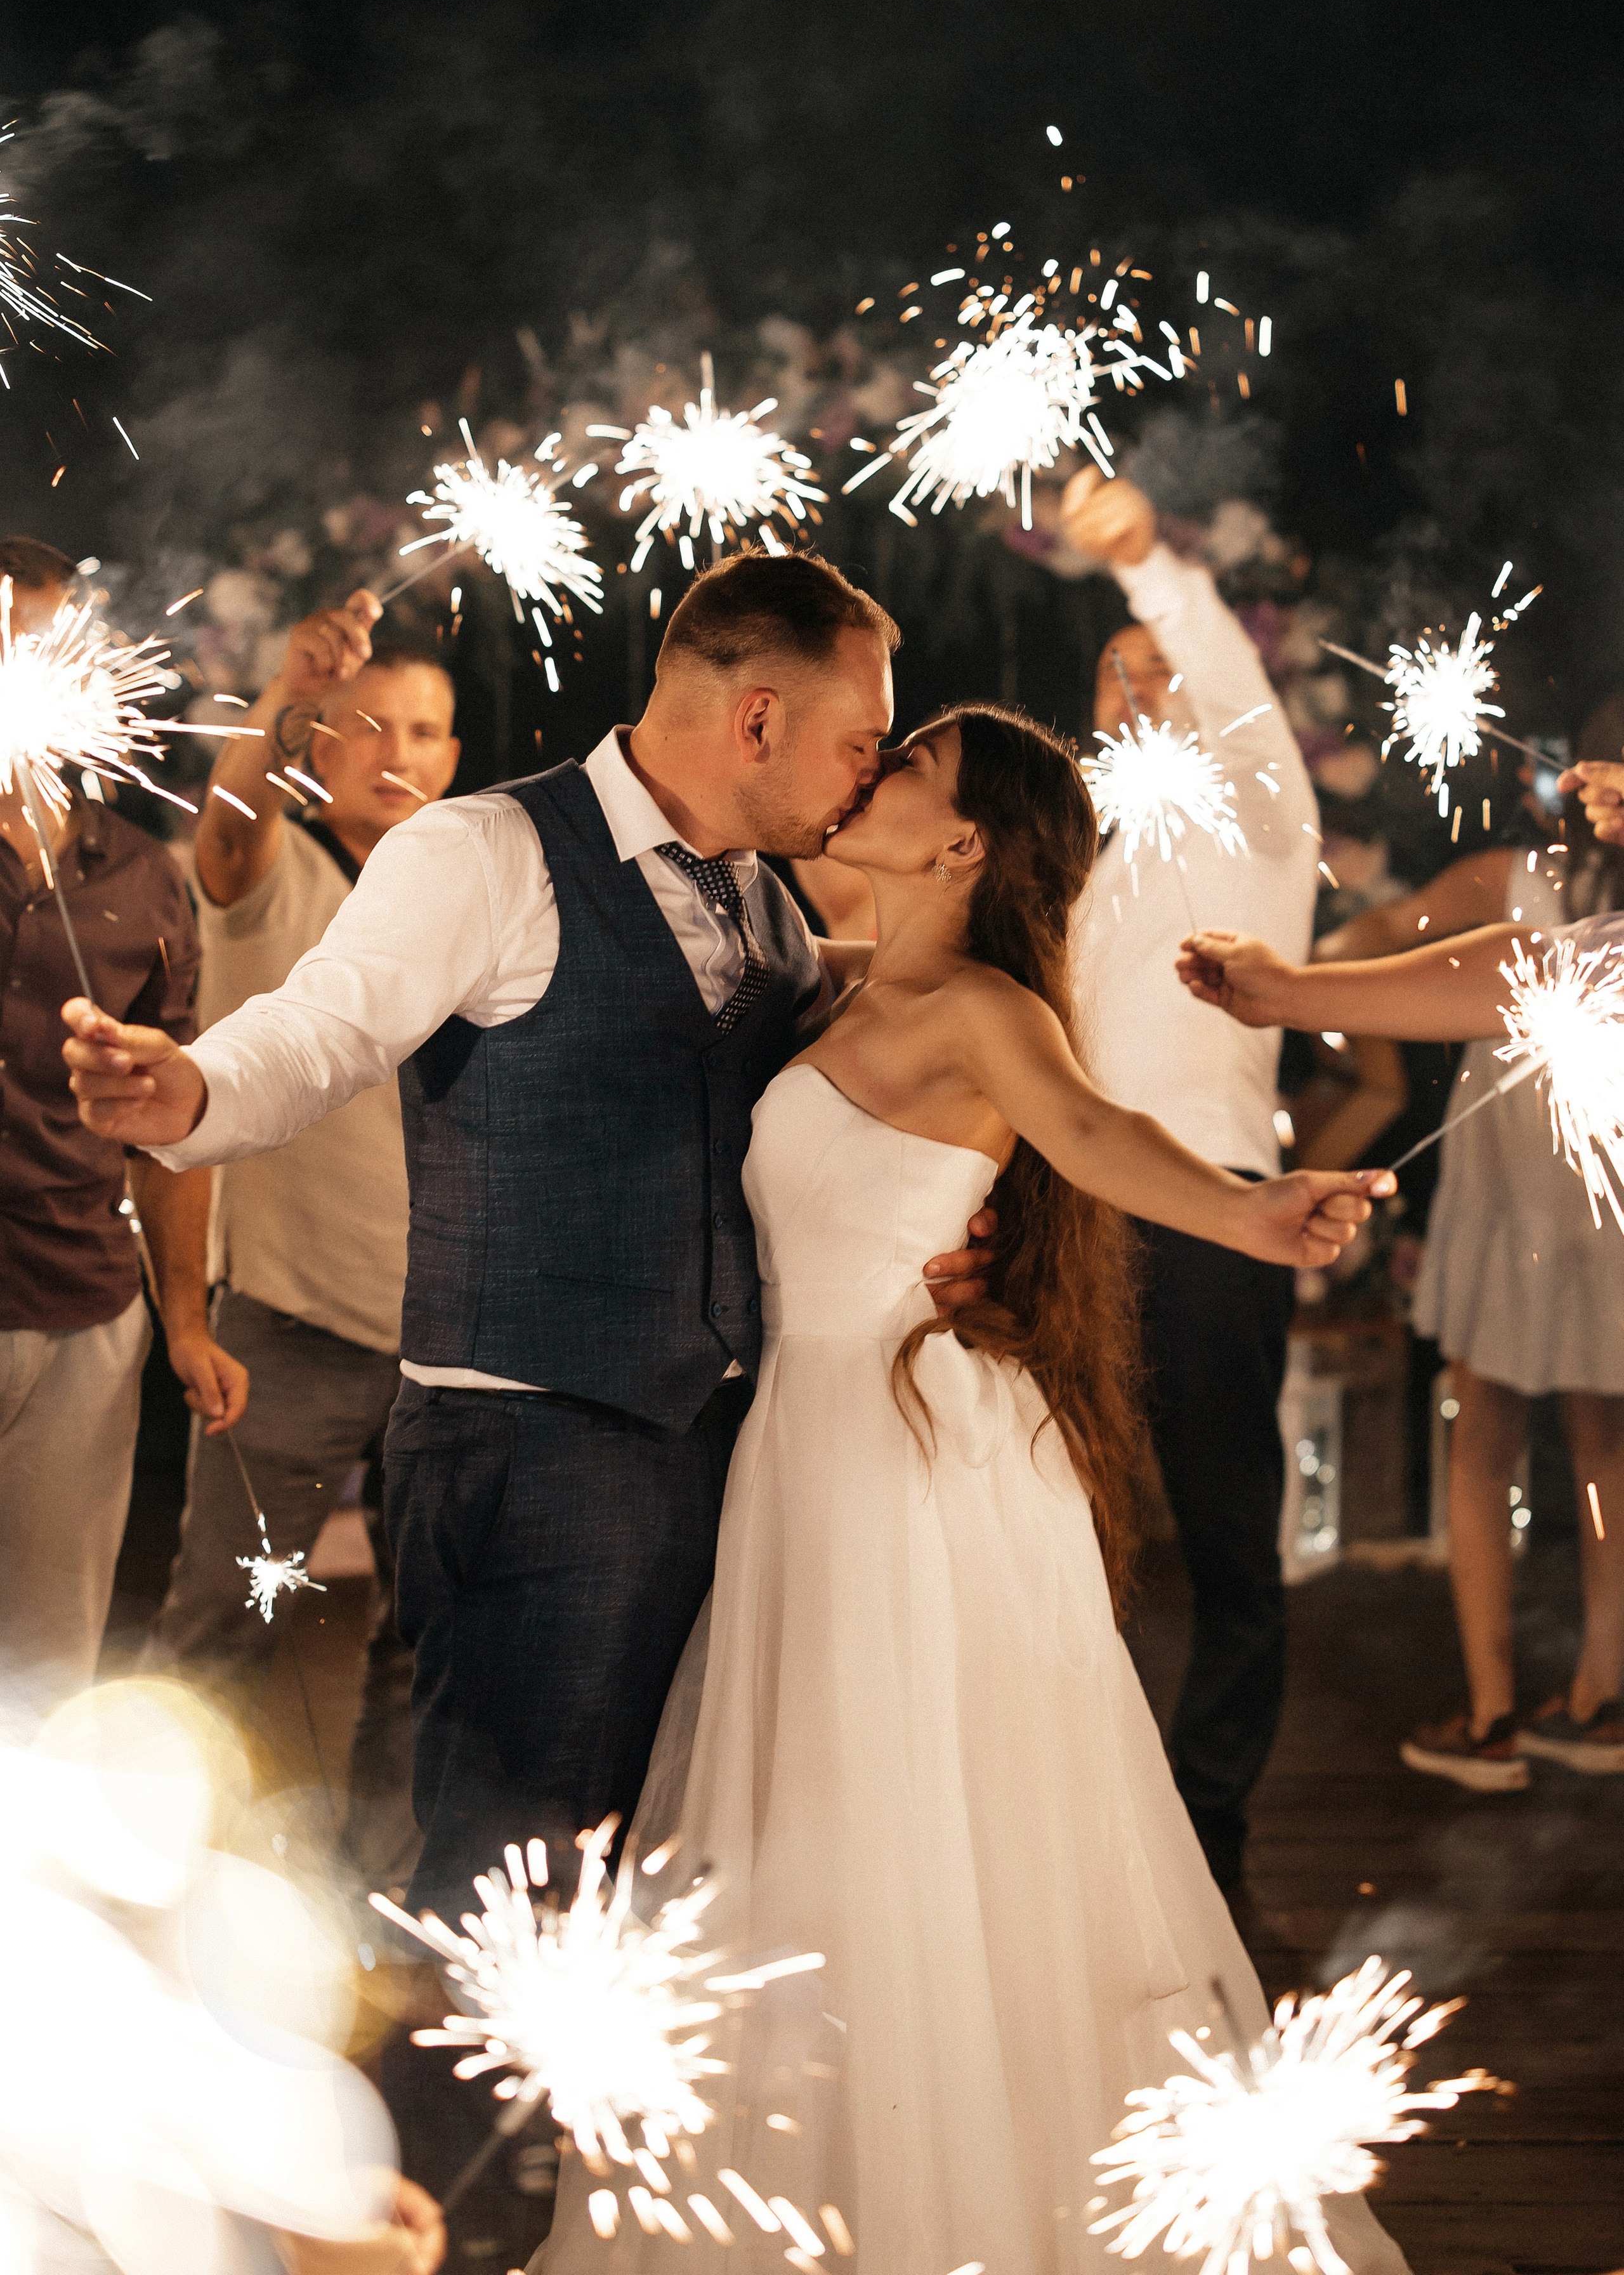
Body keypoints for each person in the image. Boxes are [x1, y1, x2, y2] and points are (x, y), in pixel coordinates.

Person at [539, 706, 1403, 2274]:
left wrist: (1256, 1210)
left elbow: (1086, 1129)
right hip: (807, 1432)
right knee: (812, 1798)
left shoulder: (987, 1008)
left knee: (904, 1802)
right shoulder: (847, 978)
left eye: (907, 764)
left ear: (963, 842)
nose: (866, 773)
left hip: (904, 1449)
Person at [60, 552, 993, 1922]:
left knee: (641, 1876)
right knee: (507, 1893)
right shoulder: (483, 851)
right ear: (755, 720)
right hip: (535, 1443)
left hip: (722, 1445)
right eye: (858, 742)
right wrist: (188, 1089)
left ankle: (566, 2143)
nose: (866, 775)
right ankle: (441, 2142)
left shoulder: (764, 903)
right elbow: (325, 1031)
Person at [144, 588, 461, 1892]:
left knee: (421, 1643)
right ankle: (160, 1884)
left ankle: (373, 1901)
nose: (401, 749)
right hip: (291, 1331)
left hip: (448, 1345)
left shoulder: (471, 892)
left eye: (431, 728)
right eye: (368, 723)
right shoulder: (280, 880)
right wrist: (278, 700)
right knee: (223, 1627)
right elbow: (227, 836)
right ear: (318, 744)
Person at [1243, 707, 1624, 1788]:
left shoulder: (1507, 877)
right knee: (1606, 1443)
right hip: (1606, 1210)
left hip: (1517, 1209)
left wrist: (1318, 1007)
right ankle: (1601, 1698)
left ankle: (1494, 1712)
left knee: (1483, 1433)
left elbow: (1372, 949)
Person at [1057, 468, 1320, 1895]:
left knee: (1225, 1538)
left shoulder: (1261, 827)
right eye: (1119, 675)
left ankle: (1203, 1836)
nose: (1146, 692)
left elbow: (1222, 683)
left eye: (1166, 674)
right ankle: (1091, 1828)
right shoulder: (1081, 872)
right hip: (1076, 1222)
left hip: (1213, 1218)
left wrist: (1152, 564)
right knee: (1060, 1531)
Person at [1, 536, 246, 1699]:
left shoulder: (143, 875)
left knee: (48, 1664)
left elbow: (173, 1122)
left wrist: (186, 1321)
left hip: (83, 1308)